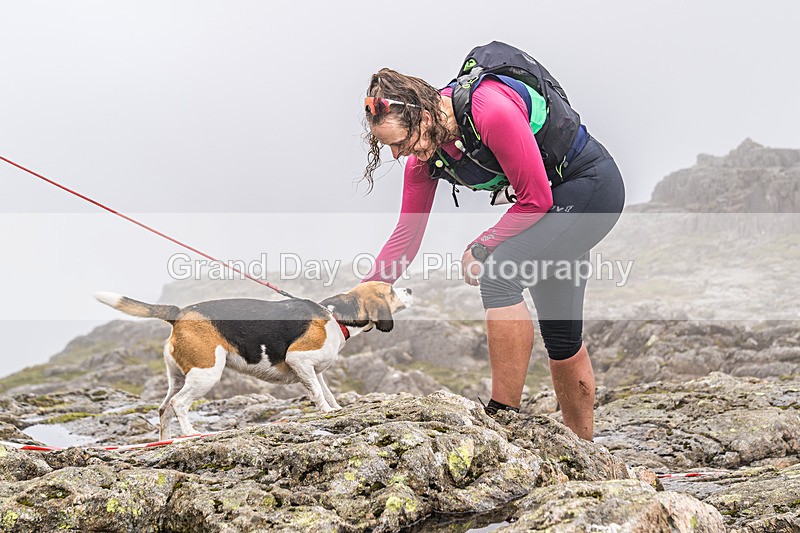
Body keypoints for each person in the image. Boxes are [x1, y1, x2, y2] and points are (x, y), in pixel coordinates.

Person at [360, 47, 625, 441]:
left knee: (500, 273)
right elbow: (407, 233)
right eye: (390, 147)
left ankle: (504, 416)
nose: (398, 154)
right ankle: (585, 452)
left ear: (424, 115)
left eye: (400, 141)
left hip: (591, 188)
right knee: (562, 334)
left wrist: (483, 246)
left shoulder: (489, 109)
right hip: (552, 206)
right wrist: (368, 291)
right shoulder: (428, 158)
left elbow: (536, 197)